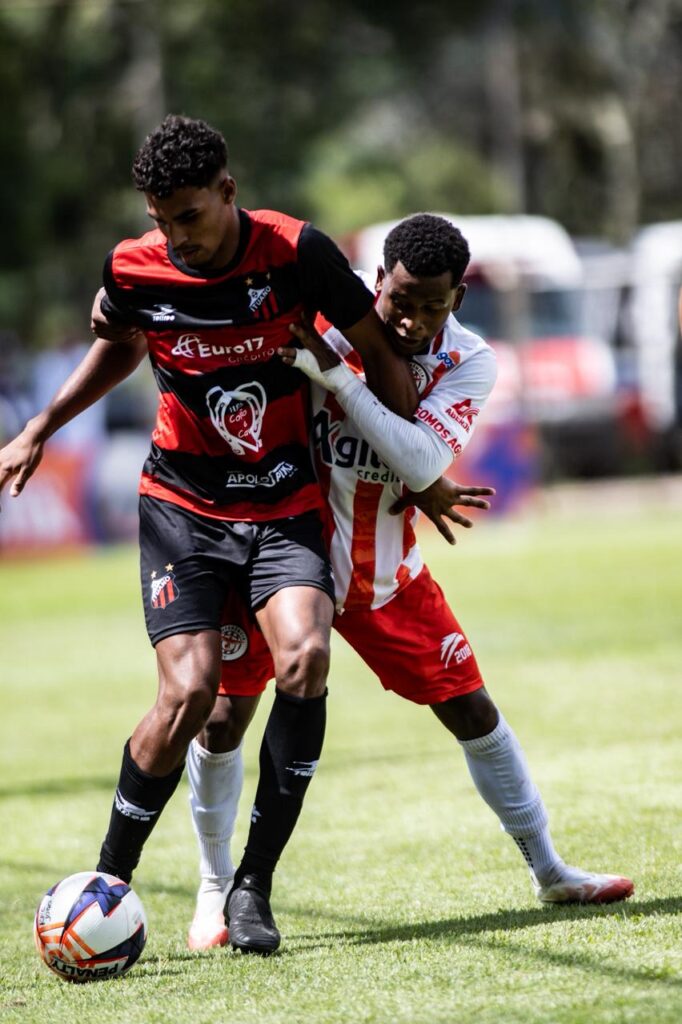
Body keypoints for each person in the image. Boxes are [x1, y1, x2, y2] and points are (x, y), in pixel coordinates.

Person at [0, 116, 418, 949]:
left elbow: (381, 364)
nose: (175, 236)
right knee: (191, 694)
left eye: (188, 215)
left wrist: (408, 443)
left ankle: (252, 890)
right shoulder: (133, 264)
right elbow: (121, 345)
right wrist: (41, 425)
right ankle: (106, 884)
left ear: (229, 191)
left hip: (282, 499)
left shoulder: (299, 254)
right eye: (161, 218)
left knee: (304, 657)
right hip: (183, 506)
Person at [186, 214, 634, 954]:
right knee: (223, 719)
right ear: (376, 282)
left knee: (474, 711)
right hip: (279, 563)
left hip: (385, 575)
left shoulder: (470, 360)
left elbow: (422, 459)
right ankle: (212, 892)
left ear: (458, 297)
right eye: (399, 299)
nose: (412, 319)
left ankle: (549, 867)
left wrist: (339, 388)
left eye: (434, 304)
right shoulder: (328, 325)